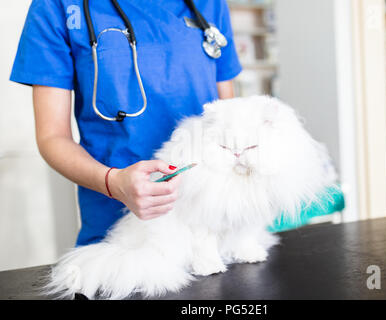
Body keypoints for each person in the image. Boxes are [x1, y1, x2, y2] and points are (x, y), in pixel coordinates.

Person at [10, 0, 242, 245]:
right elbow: (53, 137)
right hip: (120, 231)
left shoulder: (210, 4)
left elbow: (229, 116)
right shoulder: (57, 5)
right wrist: (113, 182)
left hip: (211, 227)